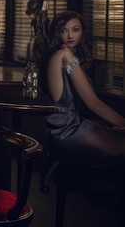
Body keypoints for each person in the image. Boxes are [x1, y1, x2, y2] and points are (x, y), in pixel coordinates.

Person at [41, 11, 125, 161]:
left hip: (69, 124)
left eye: (75, 29)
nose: (70, 36)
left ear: (82, 32)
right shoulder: (64, 54)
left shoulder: (67, 57)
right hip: (66, 129)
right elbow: (93, 103)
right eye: (63, 30)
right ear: (57, 33)